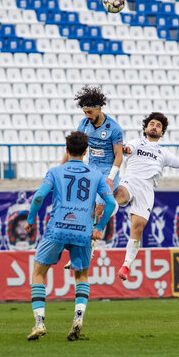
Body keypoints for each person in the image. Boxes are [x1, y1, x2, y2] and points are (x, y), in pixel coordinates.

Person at [24, 131, 117, 341]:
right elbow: (111, 203)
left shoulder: (55, 172)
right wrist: (99, 227)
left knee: (39, 273)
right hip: (83, 231)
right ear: (85, 152)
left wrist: (30, 220)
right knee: (81, 276)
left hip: (57, 229)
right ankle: (78, 319)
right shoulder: (96, 175)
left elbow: (39, 196)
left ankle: (39, 323)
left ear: (66, 150)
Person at [116, 112, 179, 280]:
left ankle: (126, 265)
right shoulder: (137, 142)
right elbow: (129, 149)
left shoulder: (163, 152)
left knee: (138, 228)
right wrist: (126, 149)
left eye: (158, 126)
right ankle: (95, 230)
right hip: (131, 181)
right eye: (152, 124)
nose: (154, 127)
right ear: (145, 128)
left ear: (162, 132)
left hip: (147, 188)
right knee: (117, 197)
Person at [63, 86, 123, 268]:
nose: (87, 115)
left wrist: (111, 178)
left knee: (98, 208)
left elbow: (118, 156)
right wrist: (62, 170)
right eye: (85, 112)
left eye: (89, 112)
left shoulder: (114, 128)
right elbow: (74, 149)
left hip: (107, 171)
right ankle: (82, 248)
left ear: (99, 108)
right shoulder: (84, 125)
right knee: (86, 210)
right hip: (91, 169)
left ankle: (88, 251)